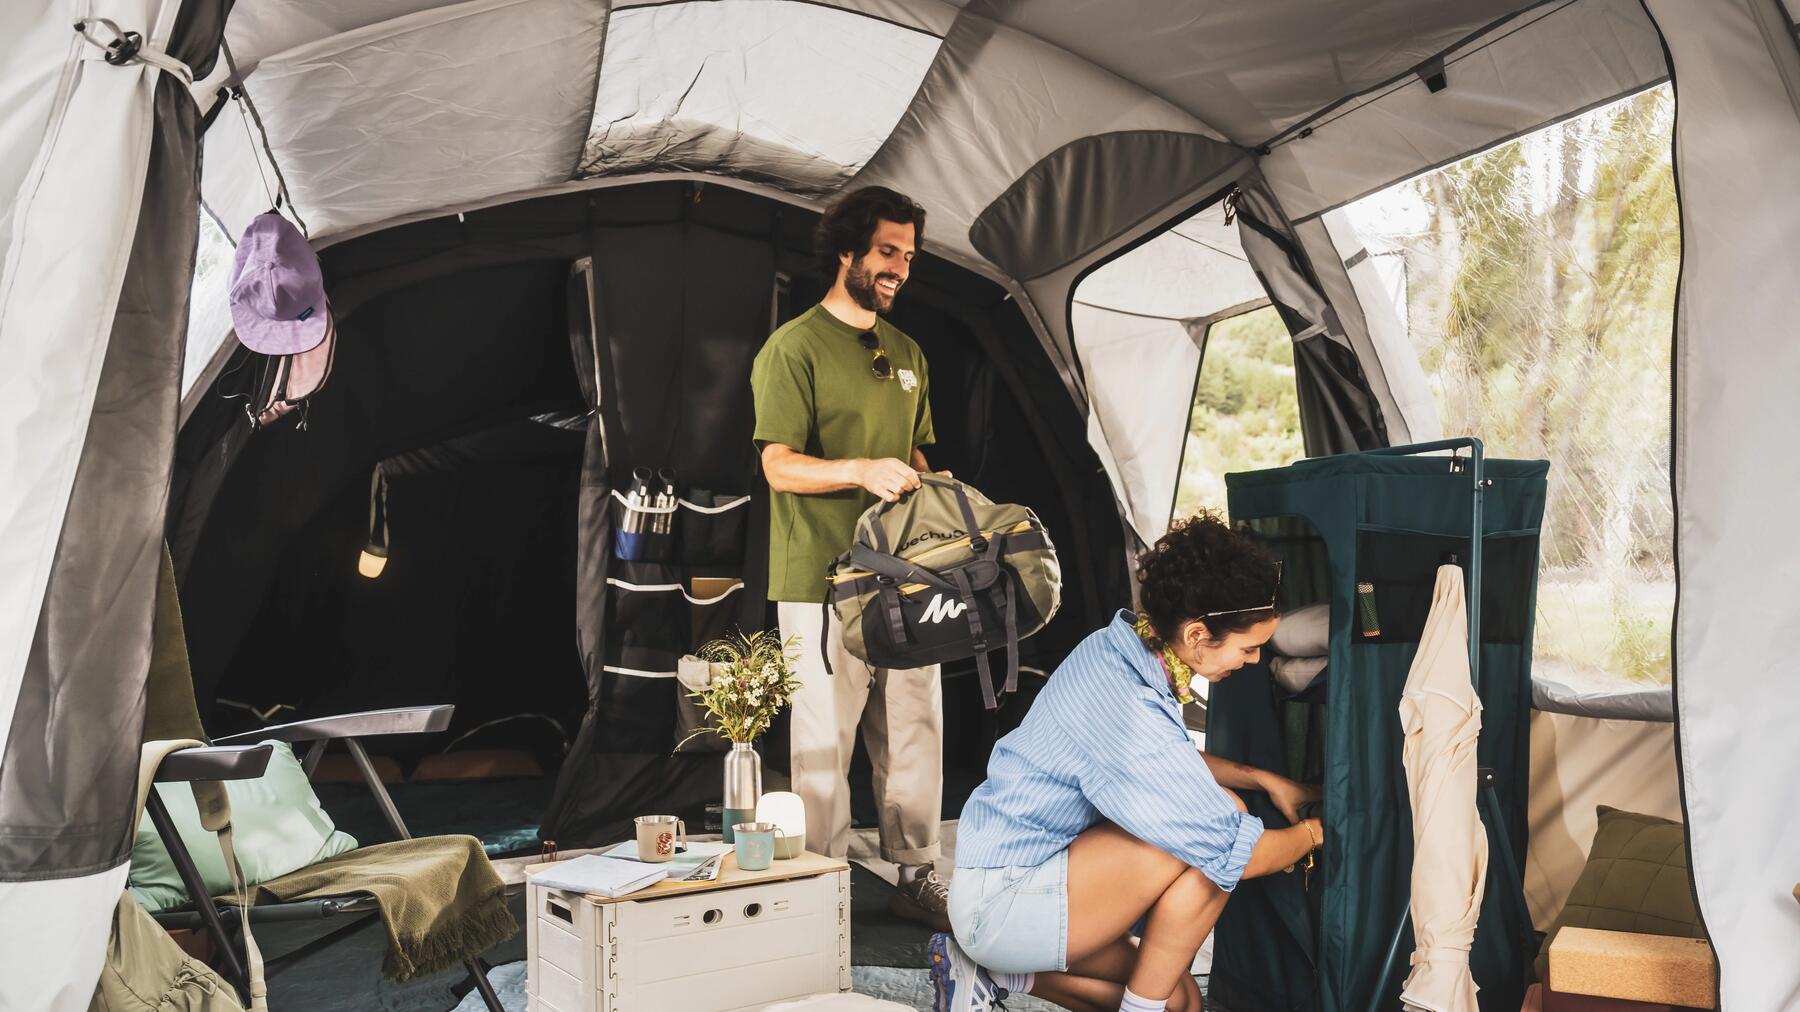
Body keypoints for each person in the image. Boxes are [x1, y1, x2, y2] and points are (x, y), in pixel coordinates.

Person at [930, 513, 1325, 1012]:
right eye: (1248, 648)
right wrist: (1319, 832)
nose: (1251, 661)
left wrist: (1262, 778)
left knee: (1182, 1001)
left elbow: (1166, 763)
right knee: (1222, 828)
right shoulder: (1125, 703)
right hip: (1008, 901)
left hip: (1009, 878)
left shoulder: (1120, 646)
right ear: (1199, 635)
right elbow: (1233, 850)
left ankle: (990, 972)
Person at [750, 185, 951, 930]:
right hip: (820, 577)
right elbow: (778, 466)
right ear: (847, 252)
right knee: (823, 739)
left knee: (913, 727)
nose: (900, 267)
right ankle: (821, 883)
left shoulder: (907, 354)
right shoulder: (793, 347)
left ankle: (918, 873)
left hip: (908, 577)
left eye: (908, 256)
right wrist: (860, 470)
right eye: (888, 252)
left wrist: (933, 485)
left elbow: (916, 452)